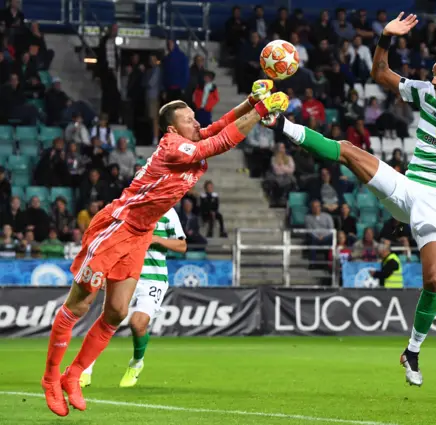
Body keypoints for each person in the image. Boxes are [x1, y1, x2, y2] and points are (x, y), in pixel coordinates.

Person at [266, 12, 436, 387]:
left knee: (434, 280)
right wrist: (385, 37)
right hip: (409, 187)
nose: (433, 79)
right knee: (348, 150)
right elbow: (381, 74)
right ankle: (281, 124)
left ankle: (412, 351)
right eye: (433, 74)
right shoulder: (426, 94)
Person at [40, 80, 289, 417]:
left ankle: (73, 374)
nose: (197, 123)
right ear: (173, 127)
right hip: (117, 226)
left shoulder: (190, 138)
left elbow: (214, 128)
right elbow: (217, 143)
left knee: (116, 312)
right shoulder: (173, 146)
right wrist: (261, 111)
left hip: (141, 233)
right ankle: (50, 378)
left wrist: (249, 103)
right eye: (189, 120)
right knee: (81, 303)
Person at [80, 208, 186, 388]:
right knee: (108, 319)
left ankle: (136, 363)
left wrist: (156, 239)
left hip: (153, 277)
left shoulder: (168, 211)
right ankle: (85, 369)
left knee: (138, 324)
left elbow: (182, 246)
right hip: (124, 273)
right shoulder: (128, 207)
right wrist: (106, 271)